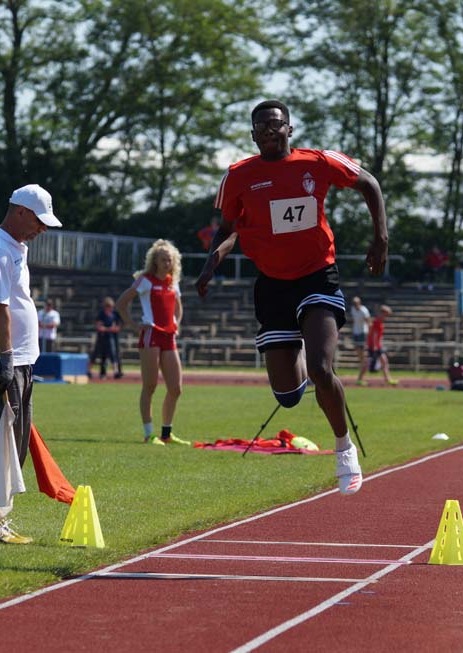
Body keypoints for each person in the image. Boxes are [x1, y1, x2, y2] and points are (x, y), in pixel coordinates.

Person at [195, 99, 389, 496]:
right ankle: (297, 343)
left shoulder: (318, 162)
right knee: (286, 398)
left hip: (317, 275)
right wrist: (212, 261)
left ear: (290, 128)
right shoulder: (238, 176)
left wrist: (380, 237)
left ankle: (344, 448)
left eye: (276, 123)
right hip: (272, 284)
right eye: (261, 126)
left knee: (321, 369)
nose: (269, 130)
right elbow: (229, 229)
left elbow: (369, 183)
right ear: (252, 134)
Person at [0, 183, 62, 544]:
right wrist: (6, 357)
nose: (42, 229)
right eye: (39, 221)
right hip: (0, 363)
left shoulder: (12, 249)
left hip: (18, 361)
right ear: (20, 212)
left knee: (14, 445)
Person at [117, 239, 188, 446]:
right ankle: (149, 434)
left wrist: (177, 324)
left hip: (169, 337)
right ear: (154, 261)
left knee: (176, 388)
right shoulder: (145, 280)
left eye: (170, 259)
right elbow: (121, 303)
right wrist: (133, 325)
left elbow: (178, 307)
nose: (167, 263)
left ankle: (166, 433)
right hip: (151, 336)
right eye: (163, 259)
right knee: (150, 385)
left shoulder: (173, 282)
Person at [357, 305, 397, 386]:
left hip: (377, 346)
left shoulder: (379, 322)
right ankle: (360, 379)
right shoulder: (377, 322)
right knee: (367, 363)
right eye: (385, 315)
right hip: (374, 346)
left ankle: (387, 379)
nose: (386, 317)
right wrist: (375, 346)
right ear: (381, 313)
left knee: (384, 361)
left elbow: (377, 336)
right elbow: (374, 335)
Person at [91, 296, 123, 380]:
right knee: (102, 355)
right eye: (109, 306)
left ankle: (116, 371)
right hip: (102, 338)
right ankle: (100, 373)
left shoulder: (115, 314)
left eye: (112, 306)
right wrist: (109, 329)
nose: (111, 308)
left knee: (114, 354)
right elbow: (99, 326)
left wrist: (115, 329)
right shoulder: (101, 314)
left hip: (112, 337)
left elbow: (119, 326)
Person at [349, 296, 371, 375]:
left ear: (359, 302)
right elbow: (354, 320)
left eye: (356, 303)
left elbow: (368, 321)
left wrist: (369, 333)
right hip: (356, 332)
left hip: (362, 332)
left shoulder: (364, 310)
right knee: (357, 350)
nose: (355, 304)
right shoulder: (353, 309)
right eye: (354, 303)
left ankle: (364, 365)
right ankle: (363, 363)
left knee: (362, 350)